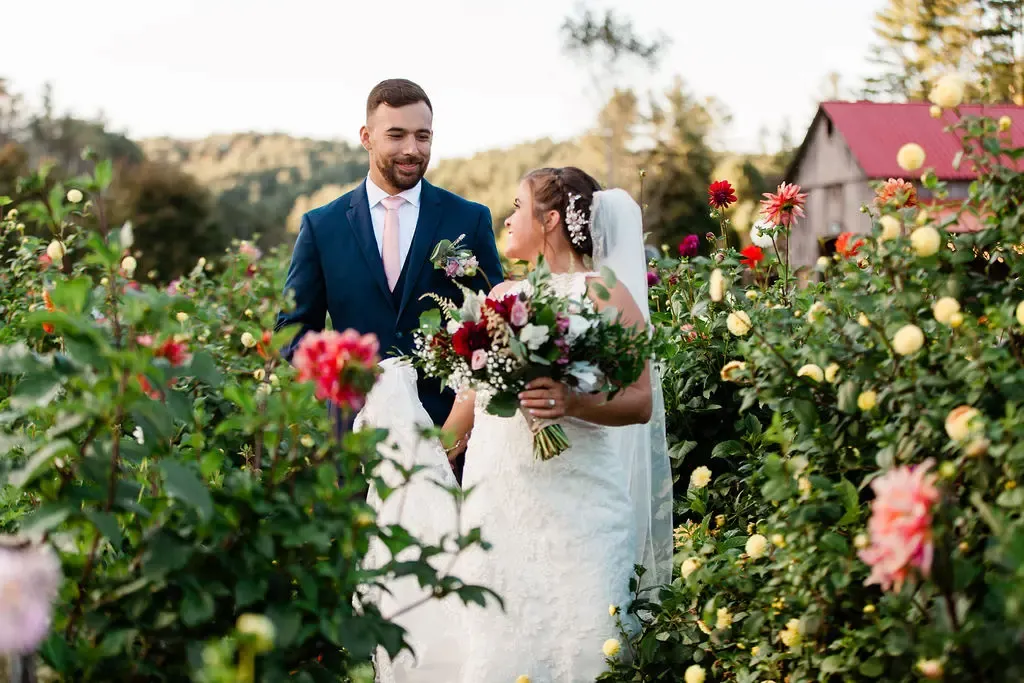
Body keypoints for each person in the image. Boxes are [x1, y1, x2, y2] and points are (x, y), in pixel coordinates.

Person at [356, 167, 673, 683]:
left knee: (588, 647)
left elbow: (639, 402)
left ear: (549, 220)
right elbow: (469, 407)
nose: (506, 219)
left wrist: (571, 401)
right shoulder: (498, 297)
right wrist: (416, 452)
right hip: (497, 507)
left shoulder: (607, 294)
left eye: (516, 208)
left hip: (581, 511)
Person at [274, 78, 504, 451]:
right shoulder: (322, 226)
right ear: (366, 137)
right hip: (357, 433)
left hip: (449, 432)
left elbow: (499, 327)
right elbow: (292, 331)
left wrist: (463, 419)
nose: (412, 149)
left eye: (422, 136)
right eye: (396, 135)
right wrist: (343, 370)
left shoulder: (470, 219)